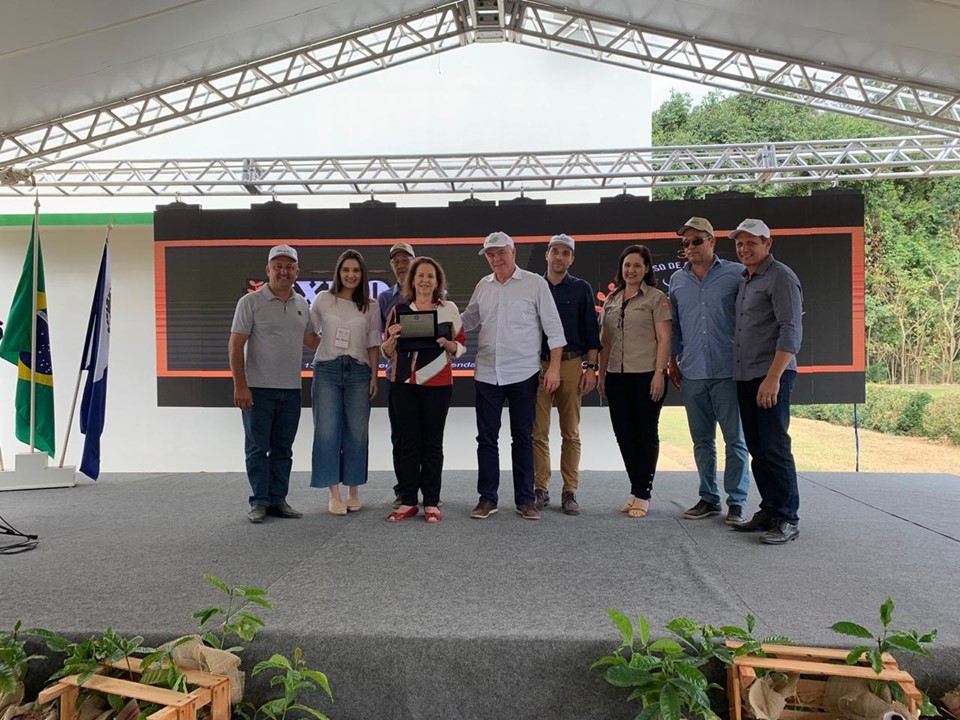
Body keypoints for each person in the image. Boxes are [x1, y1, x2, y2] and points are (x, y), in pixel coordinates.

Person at [461, 231, 566, 521]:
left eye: (500, 253)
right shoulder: (483, 285)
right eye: (490, 255)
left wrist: (554, 367)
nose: (496, 259)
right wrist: (440, 319)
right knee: (486, 439)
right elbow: (469, 319)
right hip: (486, 373)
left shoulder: (534, 283)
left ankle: (525, 499)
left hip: (523, 373)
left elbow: (554, 329)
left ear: (513, 252)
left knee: (522, 437)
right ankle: (487, 499)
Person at [668, 217, 751, 526]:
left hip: (729, 370)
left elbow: (750, 318)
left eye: (696, 240)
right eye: (685, 242)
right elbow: (675, 326)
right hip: (693, 371)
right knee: (702, 441)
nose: (690, 247)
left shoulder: (736, 274)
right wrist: (672, 360)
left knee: (735, 440)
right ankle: (708, 497)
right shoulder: (677, 280)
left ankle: (737, 502)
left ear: (712, 241)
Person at [229, 244, 319, 524]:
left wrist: (343, 335)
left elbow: (311, 341)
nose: (283, 271)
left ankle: (278, 500)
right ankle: (259, 501)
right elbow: (235, 345)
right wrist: (240, 386)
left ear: (297, 272)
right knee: (257, 448)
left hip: (291, 390)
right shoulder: (250, 302)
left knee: (283, 449)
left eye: (289, 267)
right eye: (278, 266)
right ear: (267, 270)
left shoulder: (302, 304)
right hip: (257, 389)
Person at [727, 219, 804, 545]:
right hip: (746, 374)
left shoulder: (781, 277)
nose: (744, 249)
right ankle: (770, 510)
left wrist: (773, 378)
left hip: (771, 375)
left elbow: (791, 330)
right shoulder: (745, 279)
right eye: (739, 244)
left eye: (751, 243)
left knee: (774, 447)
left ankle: (787, 517)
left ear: (767, 244)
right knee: (758, 448)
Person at [379, 257, 466, 523]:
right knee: (408, 442)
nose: (425, 280)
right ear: (412, 280)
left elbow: (461, 345)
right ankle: (407, 501)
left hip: (438, 384)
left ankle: (431, 502)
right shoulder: (399, 310)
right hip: (403, 384)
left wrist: (449, 345)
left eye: (430, 276)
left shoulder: (449, 309)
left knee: (432, 443)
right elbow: (386, 351)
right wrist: (390, 342)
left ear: (437, 281)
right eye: (420, 276)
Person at [598, 244, 671, 519]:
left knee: (645, 434)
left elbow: (664, 338)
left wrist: (659, 373)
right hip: (616, 377)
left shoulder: (656, 298)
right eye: (627, 265)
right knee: (624, 435)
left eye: (637, 265)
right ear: (621, 268)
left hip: (646, 375)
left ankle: (643, 493)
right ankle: (635, 489)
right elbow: (605, 341)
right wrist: (602, 374)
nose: (631, 270)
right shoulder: (612, 299)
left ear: (647, 269)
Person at [531, 234, 601, 515]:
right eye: (555, 251)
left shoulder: (581, 288)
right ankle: (540, 488)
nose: (559, 257)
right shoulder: (533, 286)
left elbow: (591, 332)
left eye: (565, 253)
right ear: (547, 254)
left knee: (570, 432)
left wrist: (591, 368)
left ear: (571, 258)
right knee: (538, 432)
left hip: (571, 365)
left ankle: (569, 491)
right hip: (538, 365)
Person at [309, 249, 381, 515]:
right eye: (346, 270)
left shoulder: (371, 305)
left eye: (356, 270)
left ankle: (353, 491)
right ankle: (334, 494)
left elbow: (373, 343)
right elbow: (309, 334)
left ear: (363, 274)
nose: (351, 275)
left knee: (357, 432)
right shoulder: (323, 299)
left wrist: (374, 375)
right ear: (338, 272)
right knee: (327, 431)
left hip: (359, 372)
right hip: (327, 369)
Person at [378, 242, 415, 509]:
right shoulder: (384, 299)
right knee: (400, 437)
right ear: (392, 265)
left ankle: (427, 488)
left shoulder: (434, 292)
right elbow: (382, 341)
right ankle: (404, 489)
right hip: (396, 376)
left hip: (427, 376)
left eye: (406, 260)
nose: (401, 265)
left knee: (425, 436)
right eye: (396, 261)